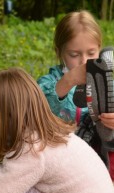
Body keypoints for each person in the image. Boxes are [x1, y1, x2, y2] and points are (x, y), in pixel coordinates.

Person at [37, 10, 114, 180]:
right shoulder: (50, 82)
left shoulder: (105, 83)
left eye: (91, 53)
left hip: (96, 156)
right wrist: (68, 80)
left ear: (99, 50)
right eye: (74, 54)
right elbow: (37, 107)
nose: (84, 61)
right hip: (59, 158)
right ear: (60, 52)